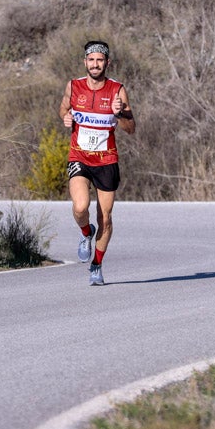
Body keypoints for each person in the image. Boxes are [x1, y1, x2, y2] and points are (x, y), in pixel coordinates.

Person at [59, 40, 135, 286]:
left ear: (107, 63)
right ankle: (85, 233)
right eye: (91, 60)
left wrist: (120, 113)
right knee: (81, 207)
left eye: (99, 60)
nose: (95, 64)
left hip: (106, 160)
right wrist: (66, 117)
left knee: (106, 217)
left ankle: (97, 264)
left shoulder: (117, 90)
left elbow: (131, 128)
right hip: (80, 156)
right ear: (85, 62)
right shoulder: (74, 86)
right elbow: (62, 109)